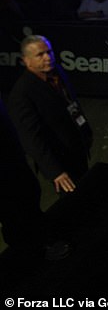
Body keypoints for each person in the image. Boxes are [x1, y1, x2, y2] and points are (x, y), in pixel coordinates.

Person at [8, 35, 92, 194]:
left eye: (49, 52)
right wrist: (55, 172)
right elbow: (31, 138)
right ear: (26, 60)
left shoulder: (57, 71)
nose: (48, 58)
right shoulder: (22, 94)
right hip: (60, 159)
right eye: (40, 55)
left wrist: (85, 132)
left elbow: (71, 103)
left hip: (77, 147)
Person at [0, 96, 71, 261]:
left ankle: (42, 244)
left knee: (29, 200)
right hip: (5, 175)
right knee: (14, 217)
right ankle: (33, 256)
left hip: (15, 164)